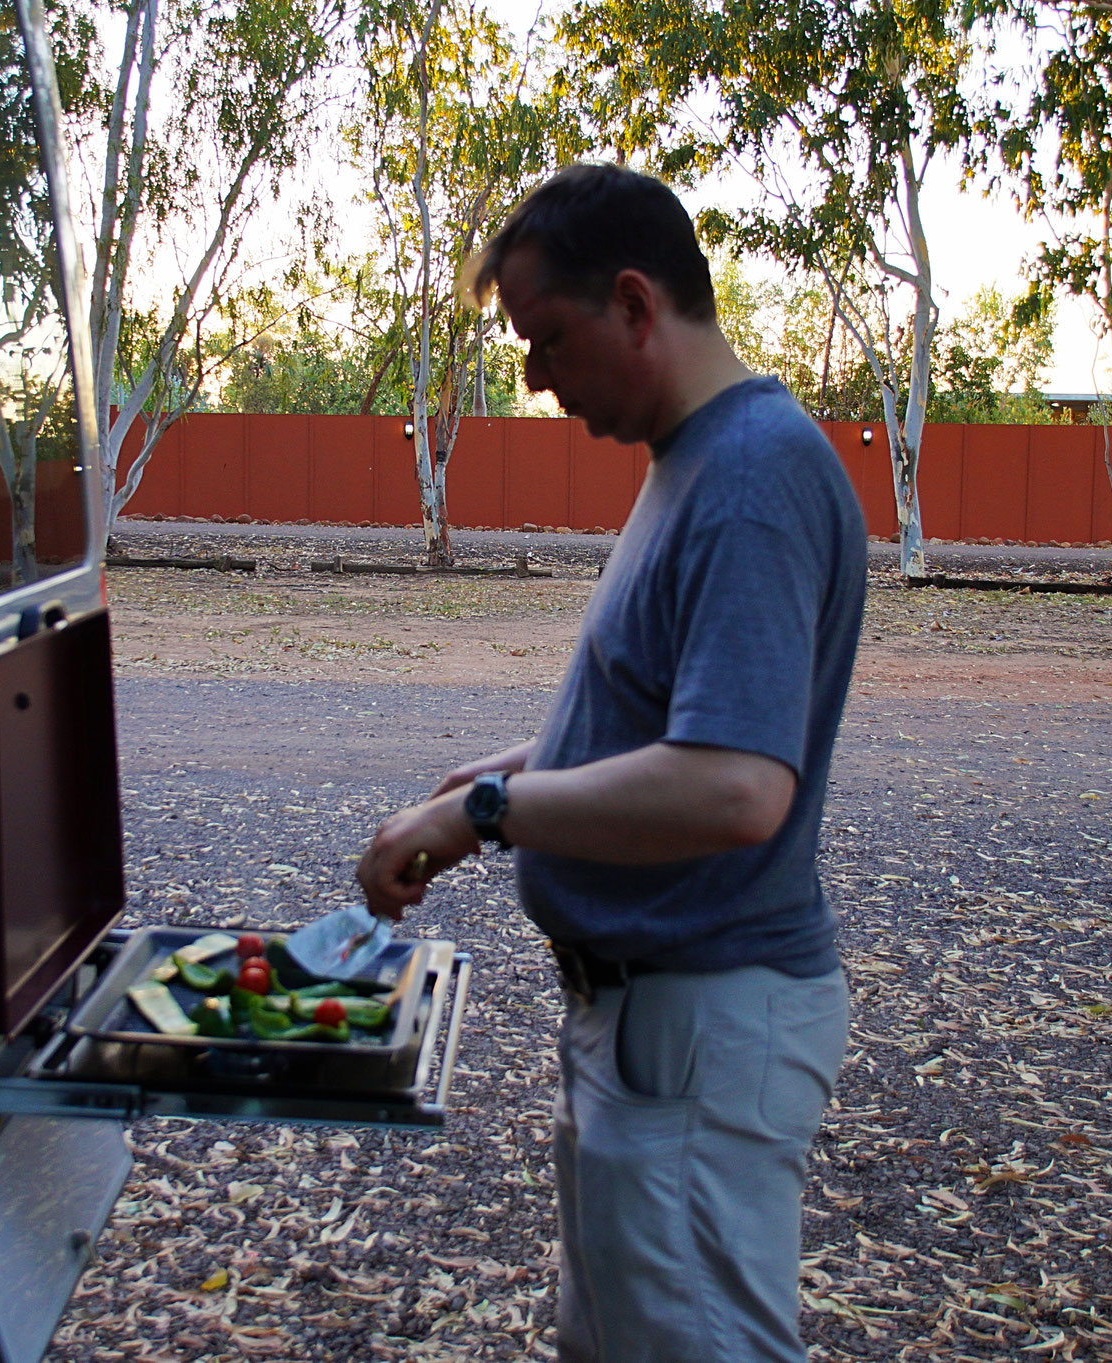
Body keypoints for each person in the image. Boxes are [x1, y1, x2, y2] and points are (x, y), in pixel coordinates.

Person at [355, 163, 866, 1363]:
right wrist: (520, 764)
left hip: (699, 1019)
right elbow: (672, 724)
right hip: (649, 1022)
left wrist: (491, 812)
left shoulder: (747, 476)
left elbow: (736, 786)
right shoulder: (695, 460)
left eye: (547, 339)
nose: (532, 378)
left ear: (635, 304)